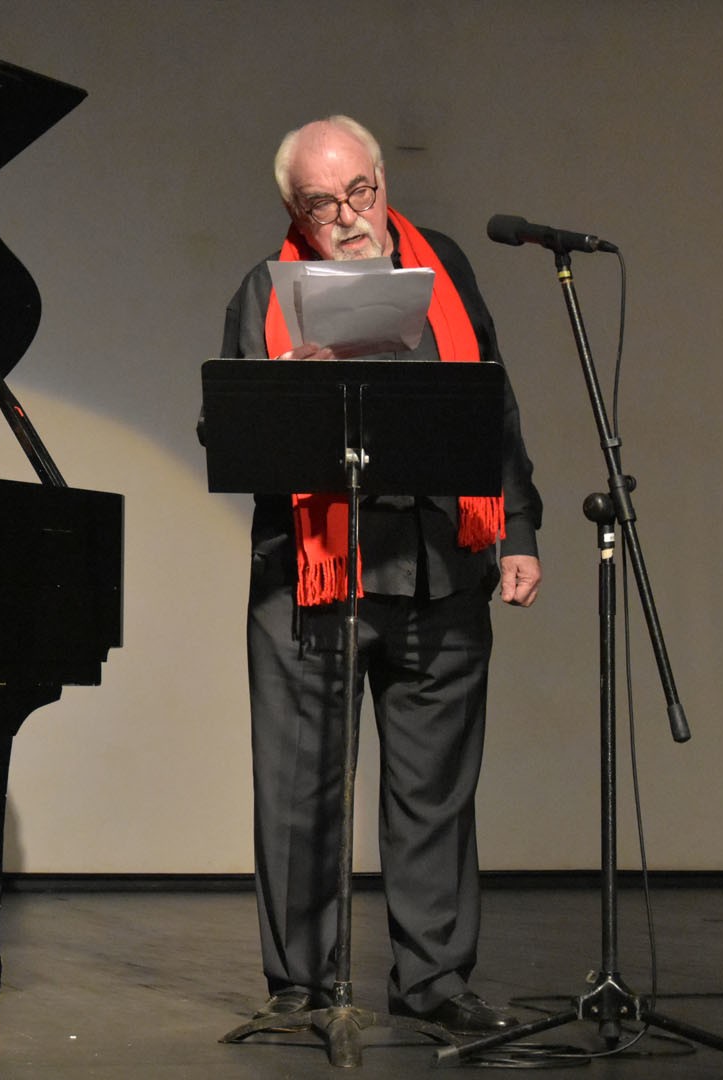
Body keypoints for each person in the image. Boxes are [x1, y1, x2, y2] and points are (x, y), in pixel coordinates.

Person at [209, 116, 543, 1035]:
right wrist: (293, 391)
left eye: (360, 190)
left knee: (434, 790)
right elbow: (231, 435)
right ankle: (301, 984)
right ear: (295, 211)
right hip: (313, 577)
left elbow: (492, 405)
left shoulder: (443, 267)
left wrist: (516, 530)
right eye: (323, 203)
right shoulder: (263, 291)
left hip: (441, 561)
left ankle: (432, 979)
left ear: (382, 180)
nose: (349, 215)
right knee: (301, 788)